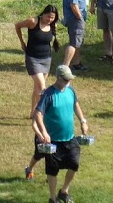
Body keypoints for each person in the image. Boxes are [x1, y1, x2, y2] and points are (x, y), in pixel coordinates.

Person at [33, 64, 89, 203]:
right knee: (52, 170)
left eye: (69, 79)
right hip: (53, 140)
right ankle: (53, 199)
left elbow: (76, 104)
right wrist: (44, 132)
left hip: (69, 138)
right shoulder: (48, 94)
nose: (68, 82)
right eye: (65, 79)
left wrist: (83, 121)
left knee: (74, 164)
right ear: (58, 77)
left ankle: (64, 191)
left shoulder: (70, 90)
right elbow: (38, 114)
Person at [16, 4, 60, 180]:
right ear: (43, 14)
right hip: (32, 58)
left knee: (37, 89)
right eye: (48, 16)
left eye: (53, 18)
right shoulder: (33, 21)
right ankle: (38, 114)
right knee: (42, 88)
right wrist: (22, 42)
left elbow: (50, 38)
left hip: (46, 59)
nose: (50, 19)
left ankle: (32, 110)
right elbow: (17, 25)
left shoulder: (52, 25)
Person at [61, 0, 88, 72]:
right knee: (74, 43)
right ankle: (64, 67)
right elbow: (73, 4)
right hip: (75, 18)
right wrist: (80, 17)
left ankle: (76, 63)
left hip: (71, 17)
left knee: (77, 42)